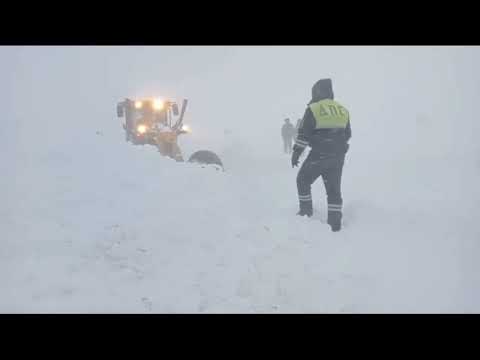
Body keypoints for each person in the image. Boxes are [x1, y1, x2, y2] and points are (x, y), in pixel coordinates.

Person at [291, 78, 351, 232]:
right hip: (338, 156)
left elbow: (304, 133)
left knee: (303, 180)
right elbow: (348, 134)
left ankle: (306, 212)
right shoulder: (343, 110)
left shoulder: (314, 108)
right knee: (333, 189)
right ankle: (335, 224)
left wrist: (297, 152)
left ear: (316, 91)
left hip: (320, 154)